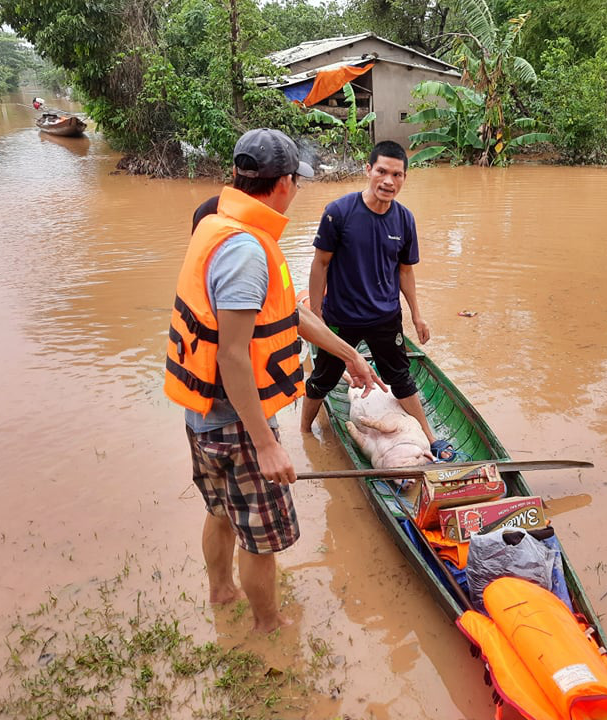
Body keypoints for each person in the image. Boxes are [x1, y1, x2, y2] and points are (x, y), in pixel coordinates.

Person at [164, 128, 386, 634]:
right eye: (297, 181)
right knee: (260, 539)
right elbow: (235, 357)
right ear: (283, 183)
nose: (297, 188)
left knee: (220, 511)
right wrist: (265, 444)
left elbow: (287, 314)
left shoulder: (216, 223)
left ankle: (221, 594)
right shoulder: (246, 251)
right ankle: (270, 627)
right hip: (237, 423)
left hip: (202, 416)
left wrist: (349, 353)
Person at [298, 140, 455, 461]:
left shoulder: (404, 219)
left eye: (397, 175)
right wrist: (316, 315)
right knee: (323, 379)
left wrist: (417, 315)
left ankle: (430, 436)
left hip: (385, 317)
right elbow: (320, 264)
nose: (388, 181)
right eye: (382, 171)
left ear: (404, 178)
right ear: (368, 170)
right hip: (341, 316)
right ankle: (304, 431)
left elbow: (405, 272)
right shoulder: (338, 213)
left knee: (400, 376)